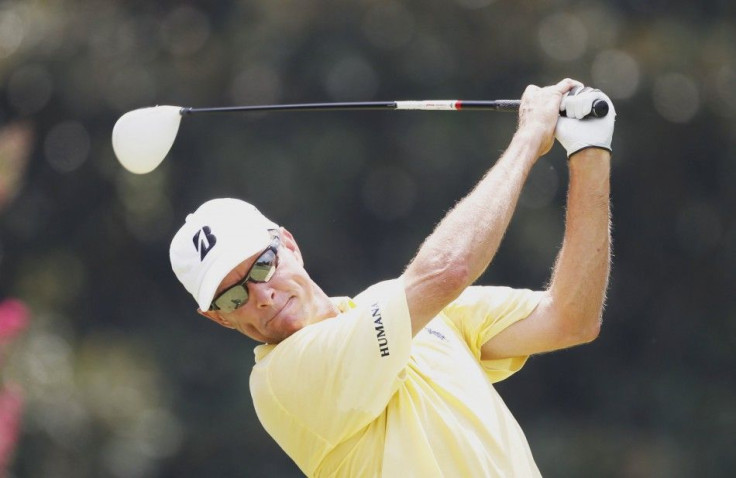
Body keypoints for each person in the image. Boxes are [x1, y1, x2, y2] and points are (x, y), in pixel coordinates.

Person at [169, 78, 614, 477]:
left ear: (288, 243)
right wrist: (529, 136)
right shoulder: (283, 381)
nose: (260, 295)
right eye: (232, 298)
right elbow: (448, 270)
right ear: (218, 319)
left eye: (262, 265)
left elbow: (571, 318)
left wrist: (588, 151)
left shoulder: (407, 307)